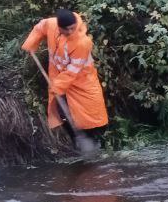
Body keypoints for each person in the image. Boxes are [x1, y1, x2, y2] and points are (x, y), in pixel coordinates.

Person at [22, 8, 109, 141]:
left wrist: (56, 86)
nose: (70, 32)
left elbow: (72, 71)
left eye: (72, 28)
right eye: (66, 29)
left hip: (82, 80)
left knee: (91, 113)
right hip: (59, 77)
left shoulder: (82, 43)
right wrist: (31, 43)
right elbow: (39, 28)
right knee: (63, 112)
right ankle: (76, 140)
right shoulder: (51, 24)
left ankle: (96, 141)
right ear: (59, 27)